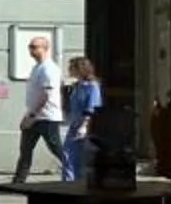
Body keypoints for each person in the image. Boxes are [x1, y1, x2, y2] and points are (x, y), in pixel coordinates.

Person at [13, 35, 67, 182]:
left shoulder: (49, 69)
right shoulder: (37, 67)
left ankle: (76, 172)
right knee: (25, 150)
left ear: (45, 48)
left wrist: (31, 116)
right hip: (34, 115)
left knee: (56, 148)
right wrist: (28, 115)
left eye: (34, 47)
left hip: (47, 117)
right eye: (30, 47)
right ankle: (18, 182)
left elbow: (46, 95)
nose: (31, 50)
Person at [62, 54, 104, 183]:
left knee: (78, 157)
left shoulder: (92, 86)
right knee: (68, 154)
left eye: (72, 67)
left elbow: (92, 107)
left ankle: (78, 183)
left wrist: (84, 126)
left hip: (85, 126)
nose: (69, 70)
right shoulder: (76, 86)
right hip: (75, 124)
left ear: (80, 69)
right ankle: (69, 183)